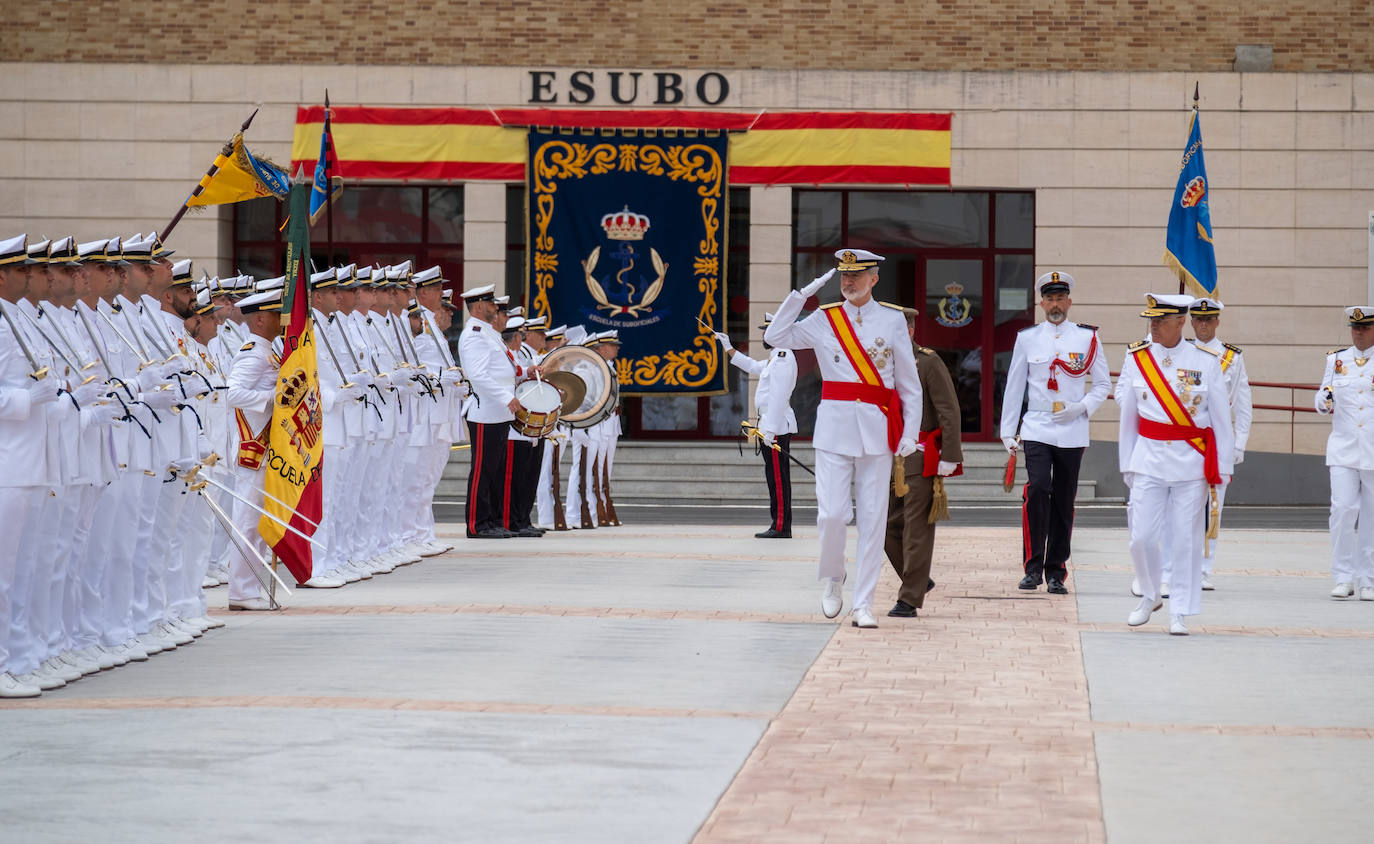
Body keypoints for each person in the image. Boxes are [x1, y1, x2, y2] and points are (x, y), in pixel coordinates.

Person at [764, 248, 922, 629]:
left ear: (874, 278)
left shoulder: (893, 320)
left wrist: (910, 432)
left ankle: (863, 603)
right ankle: (834, 576)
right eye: (844, 275)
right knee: (832, 515)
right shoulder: (825, 318)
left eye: (856, 275)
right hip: (834, 429)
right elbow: (774, 335)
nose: (848, 282)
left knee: (873, 521)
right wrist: (802, 295)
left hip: (877, 431)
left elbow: (909, 384)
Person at [1119, 293, 1234, 636]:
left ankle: (1180, 610)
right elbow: (1128, 418)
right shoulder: (1137, 358)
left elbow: (1220, 418)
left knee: (1185, 540)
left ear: (1181, 322)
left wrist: (1223, 467)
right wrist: (1127, 463)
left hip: (1190, 463)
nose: (1153, 326)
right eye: (1151, 320)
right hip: (1148, 459)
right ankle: (1150, 595)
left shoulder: (1205, 360)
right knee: (1141, 538)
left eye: (1160, 320)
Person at [999, 271, 1110, 595]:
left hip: (1072, 428)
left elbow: (1103, 384)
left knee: (1063, 498)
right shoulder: (1028, 338)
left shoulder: (1087, 338)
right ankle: (1032, 568)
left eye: (1060, 298)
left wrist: (1082, 407)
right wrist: (1008, 431)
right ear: (1042, 303)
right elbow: (1014, 386)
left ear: (1069, 302)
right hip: (1036, 425)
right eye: (1050, 299)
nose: (1055, 304)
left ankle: (1056, 571)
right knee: (1037, 489)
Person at [883, 307, 962, 618]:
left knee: (916, 529)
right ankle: (917, 578)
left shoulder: (927, 362)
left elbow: (948, 410)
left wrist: (950, 455)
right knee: (884, 527)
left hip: (917, 453)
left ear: (910, 330)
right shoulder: (879, 363)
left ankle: (909, 598)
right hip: (885, 455)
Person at [718, 313, 798, 538]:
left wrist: (770, 430)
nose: (764, 336)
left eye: (767, 331)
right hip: (770, 424)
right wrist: (729, 348)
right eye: (764, 332)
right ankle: (778, 524)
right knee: (773, 477)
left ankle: (781, 526)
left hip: (776, 426)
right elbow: (752, 365)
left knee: (778, 479)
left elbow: (778, 397)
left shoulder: (783, 357)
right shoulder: (775, 358)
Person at [1315, 306, 1374, 601]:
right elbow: (1322, 394)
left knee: (1372, 516)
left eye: (1364, 328)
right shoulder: (1336, 360)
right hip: (1343, 448)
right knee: (1342, 510)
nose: (1358, 333)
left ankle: (1368, 579)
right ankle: (1342, 577)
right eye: (1355, 328)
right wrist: (1323, 401)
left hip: (1373, 450)